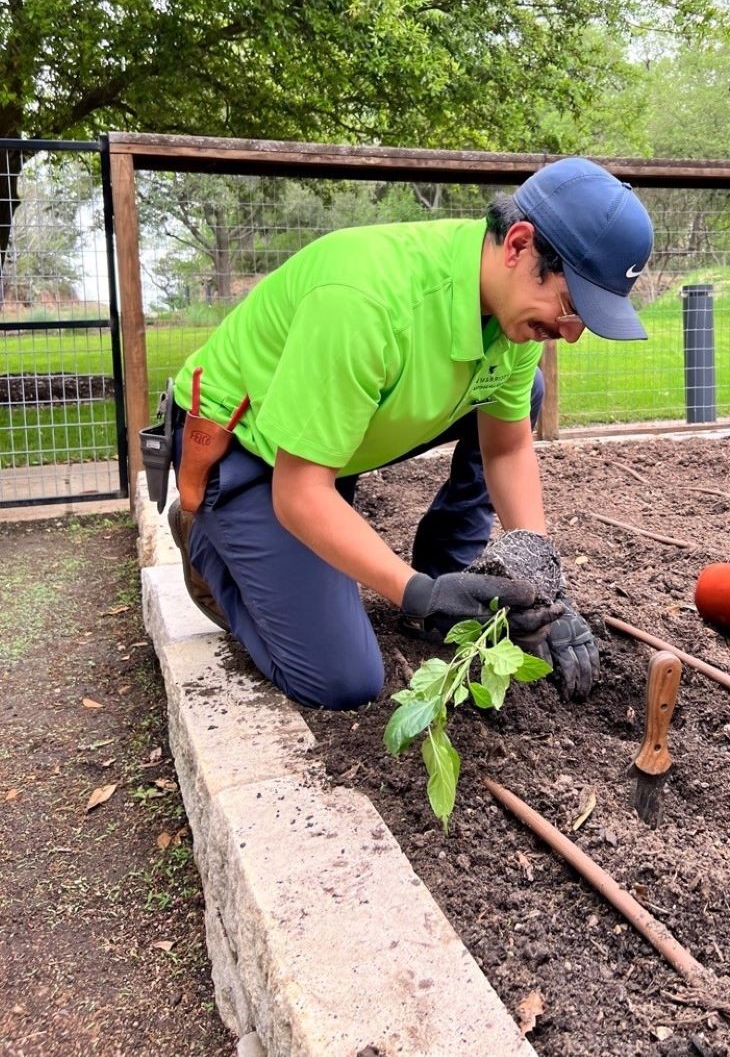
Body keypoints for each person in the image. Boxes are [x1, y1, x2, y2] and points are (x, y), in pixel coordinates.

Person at [166, 156, 654, 711]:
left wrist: (543, 586)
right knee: (341, 680)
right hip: (251, 452)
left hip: (330, 439)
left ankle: (449, 570)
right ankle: (208, 537)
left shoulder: (511, 317)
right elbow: (300, 492)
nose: (568, 335)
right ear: (519, 245)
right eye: (571, 307)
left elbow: (508, 445)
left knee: (526, 397)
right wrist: (418, 595)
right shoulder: (366, 301)